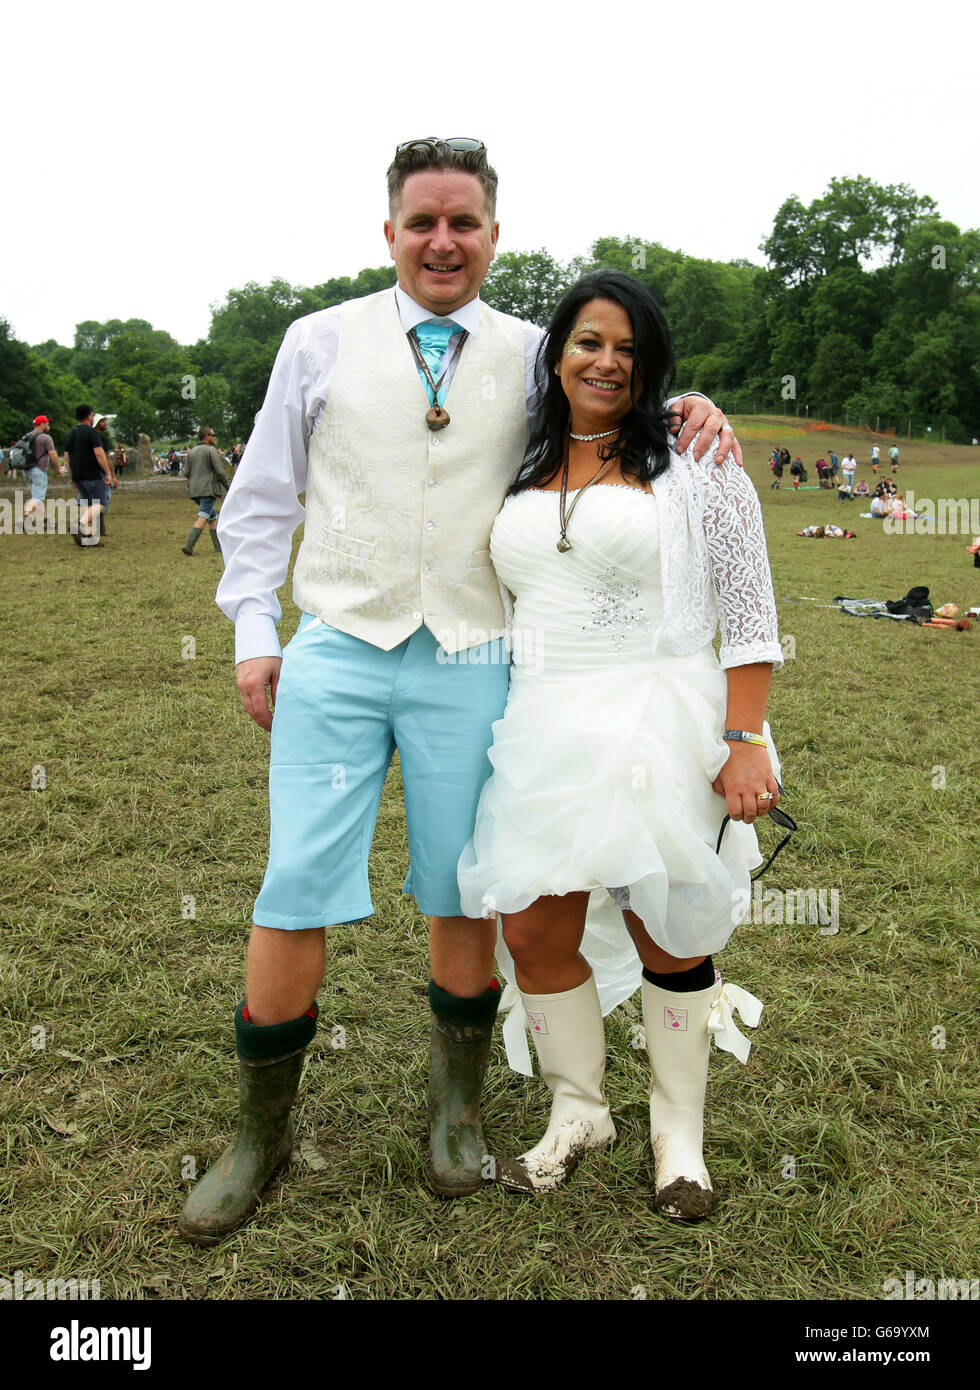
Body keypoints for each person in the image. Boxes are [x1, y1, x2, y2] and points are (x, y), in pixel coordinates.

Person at [178, 137, 741, 1246]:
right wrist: (254, 635)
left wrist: (694, 406)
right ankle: (260, 1133)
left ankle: (456, 1110)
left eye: (464, 222)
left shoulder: (535, 350)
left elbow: (610, 393)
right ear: (387, 230)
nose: (442, 240)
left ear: (493, 235)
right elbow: (257, 506)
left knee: (459, 887)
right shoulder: (317, 341)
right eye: (422, 221)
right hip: (337, 645)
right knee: (294, 883)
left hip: (475, 659)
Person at [457, 271, 782, 1219]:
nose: (607, 362)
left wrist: (742, 739)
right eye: (589, 341)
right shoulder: (520, 457)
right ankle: (578, 1112)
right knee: (531, 927)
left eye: (629, 349)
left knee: (669, 929)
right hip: (543, 718)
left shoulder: (695, 461)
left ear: (654, 367)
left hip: (662, 710)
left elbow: (751, 611)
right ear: (556, 352)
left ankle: (678, 1140)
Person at [64, 404, 116, 545]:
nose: (93, 417)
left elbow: (67, 457)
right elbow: (99, 453)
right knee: (100, 504)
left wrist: (72, 476)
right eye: (92, 415)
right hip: (92, 473)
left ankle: (90, 536)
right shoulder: (91, 432)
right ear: (88, 416)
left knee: (89, 504)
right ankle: (79, 524)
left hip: (78, 475)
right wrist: (107, 472)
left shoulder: (71, 433)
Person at [179, 426, 228, 556]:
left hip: (194, 490)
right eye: (213, 435)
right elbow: (219, 471)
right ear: (206, 436)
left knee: (212, 517)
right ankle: (188, 546)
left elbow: (186, 473)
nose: (214, 437)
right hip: (207, 490)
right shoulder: (211, 450)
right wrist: (228, 486)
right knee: (204, 517)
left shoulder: (192, 451)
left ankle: (218, 547)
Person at [21, 414, 59, 530]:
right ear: (42, 424)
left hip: (27, 470)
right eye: (47, 423)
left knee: (37, 496)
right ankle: (26, 517)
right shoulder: (46, 438)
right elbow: (52, 453)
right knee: (38, 497)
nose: (48, 425)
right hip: (39, 470)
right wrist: (58, 467)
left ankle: (44, 522)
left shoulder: (27, 436)